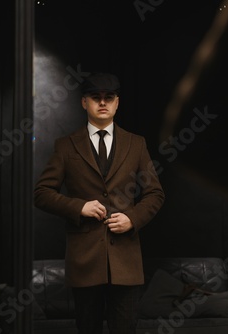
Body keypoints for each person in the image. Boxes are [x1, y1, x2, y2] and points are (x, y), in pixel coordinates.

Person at [34, 72, 165, 334]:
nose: (102, 103)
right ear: (85, 102)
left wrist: (132, 219)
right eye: (96, 97)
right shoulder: (66, 146)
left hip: (126, 261)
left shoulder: (136, 144)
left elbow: (155, 194)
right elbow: (41, 193)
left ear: (118, 103)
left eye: (109, 97)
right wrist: (78, 207)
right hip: (84, 262)